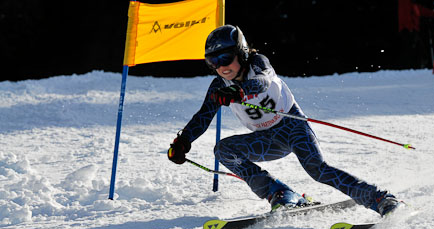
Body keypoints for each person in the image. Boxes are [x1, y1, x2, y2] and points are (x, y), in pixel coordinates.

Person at [167, 24, 400, 216]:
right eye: (213, 62)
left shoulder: (258, 63)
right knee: (224, 150)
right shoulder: (219, 86)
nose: (221, 67)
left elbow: (263, 82)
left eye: (225, 58)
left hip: (293, 127)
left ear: (242, 52)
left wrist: (240, 92)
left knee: (317, 169)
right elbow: (203, 116)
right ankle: (279, 194)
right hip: (266, 139)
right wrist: (183, 141)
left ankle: (379, 198)